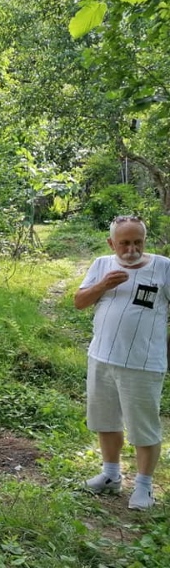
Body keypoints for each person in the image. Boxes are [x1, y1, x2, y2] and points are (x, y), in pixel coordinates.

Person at [74, 215, 170, 511]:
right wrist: (103, 284)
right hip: (101, 356)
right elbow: (79, 301)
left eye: (137, 242)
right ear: (111, 243)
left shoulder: (164, 267)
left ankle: (143, 486)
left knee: (143, 426)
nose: (131, 249)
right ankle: (110, 474)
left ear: (145, 239)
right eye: (124, 243)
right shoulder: (102, 264)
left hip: (143, 362)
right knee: (106, 420)